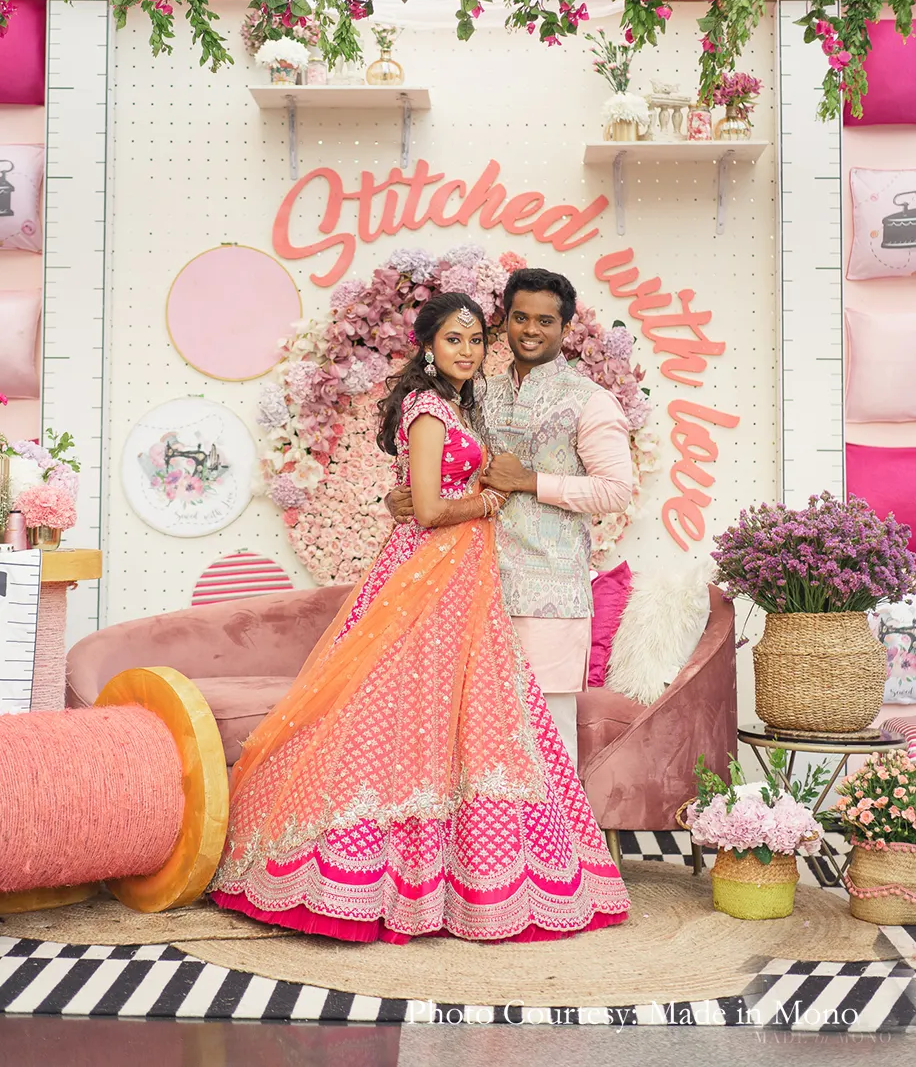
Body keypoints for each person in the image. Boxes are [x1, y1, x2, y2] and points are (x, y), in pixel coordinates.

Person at [209, 292, 629, 943]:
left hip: (468, 577)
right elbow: (431, 510)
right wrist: (484, 503)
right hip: (432, 571)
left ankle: (479, 874)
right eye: (453, 339)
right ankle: (359, 874)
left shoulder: (471, 403)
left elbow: (434, 490)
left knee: (461, 723)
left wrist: (452, 493)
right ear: (428, 346)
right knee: (393, 712)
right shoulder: (430, 408)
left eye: (474, 340)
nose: (467, 350)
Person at [388, 268, 634, 770]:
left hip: (548, 595)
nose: (531, 330)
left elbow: (616, 490)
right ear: (505, 323)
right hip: (472, 591)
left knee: (548, 744)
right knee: (477, 746)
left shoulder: (589, 400)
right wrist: (401, 498)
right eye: (521, 317)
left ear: (565, 328)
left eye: (545, 320)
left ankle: (561, 828)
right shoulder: (478, 394)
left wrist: (529, 481)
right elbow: (447, 467)